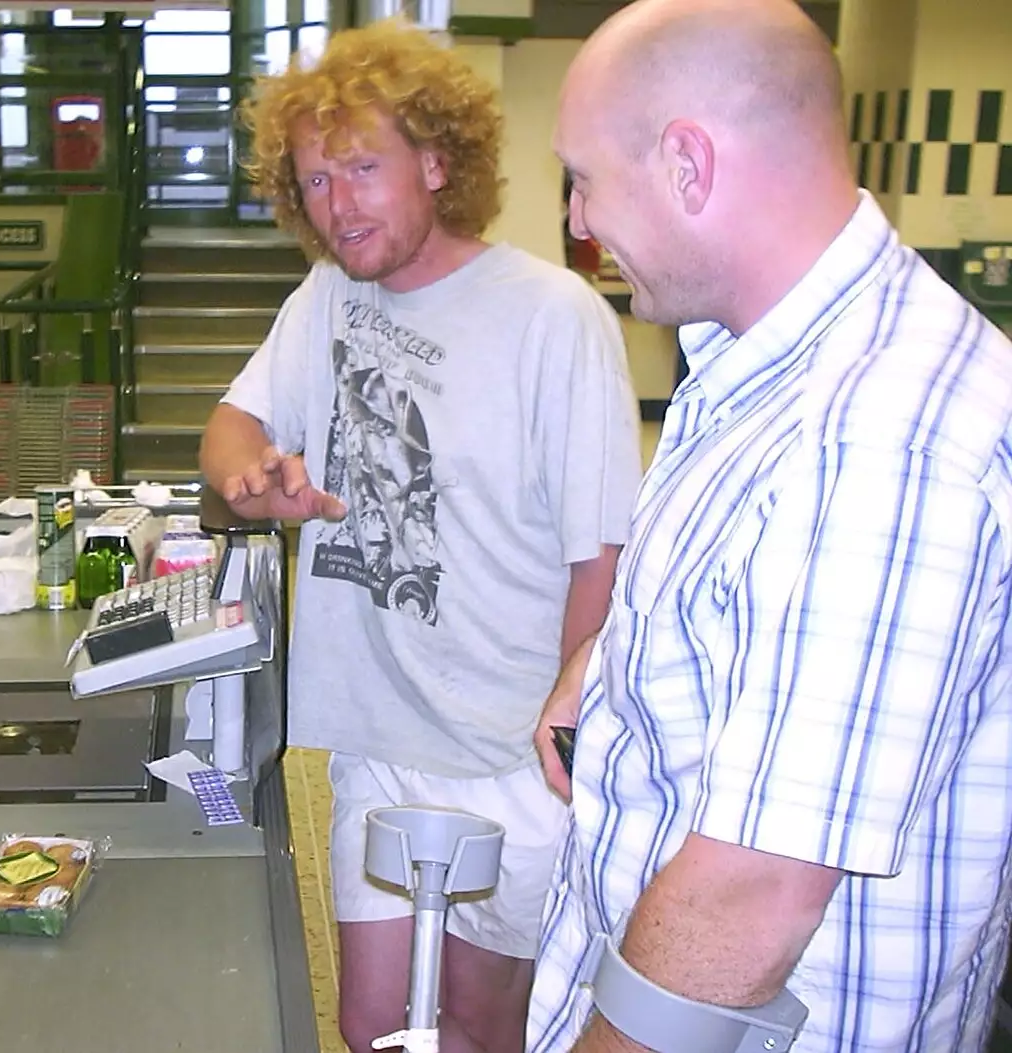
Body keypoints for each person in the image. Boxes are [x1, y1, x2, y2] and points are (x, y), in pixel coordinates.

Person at [527, 1, 1012, 1051]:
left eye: (585, 178)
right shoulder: (761, 372)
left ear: (688, 165)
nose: (576, 220)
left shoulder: (873, 440)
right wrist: (612, 667)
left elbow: (751, 897)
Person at [200, 20, 643, 1053]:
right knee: (369, 1028)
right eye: (315, 180)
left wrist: (563, 729)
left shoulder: (553, 317)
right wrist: (250, 476)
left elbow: (601, 556)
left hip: (506, 747)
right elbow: (233, 429)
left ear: (437, 164)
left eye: (363, 167)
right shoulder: (326, 299)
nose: (339, 203)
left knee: (485, 1025)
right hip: (374, 737)